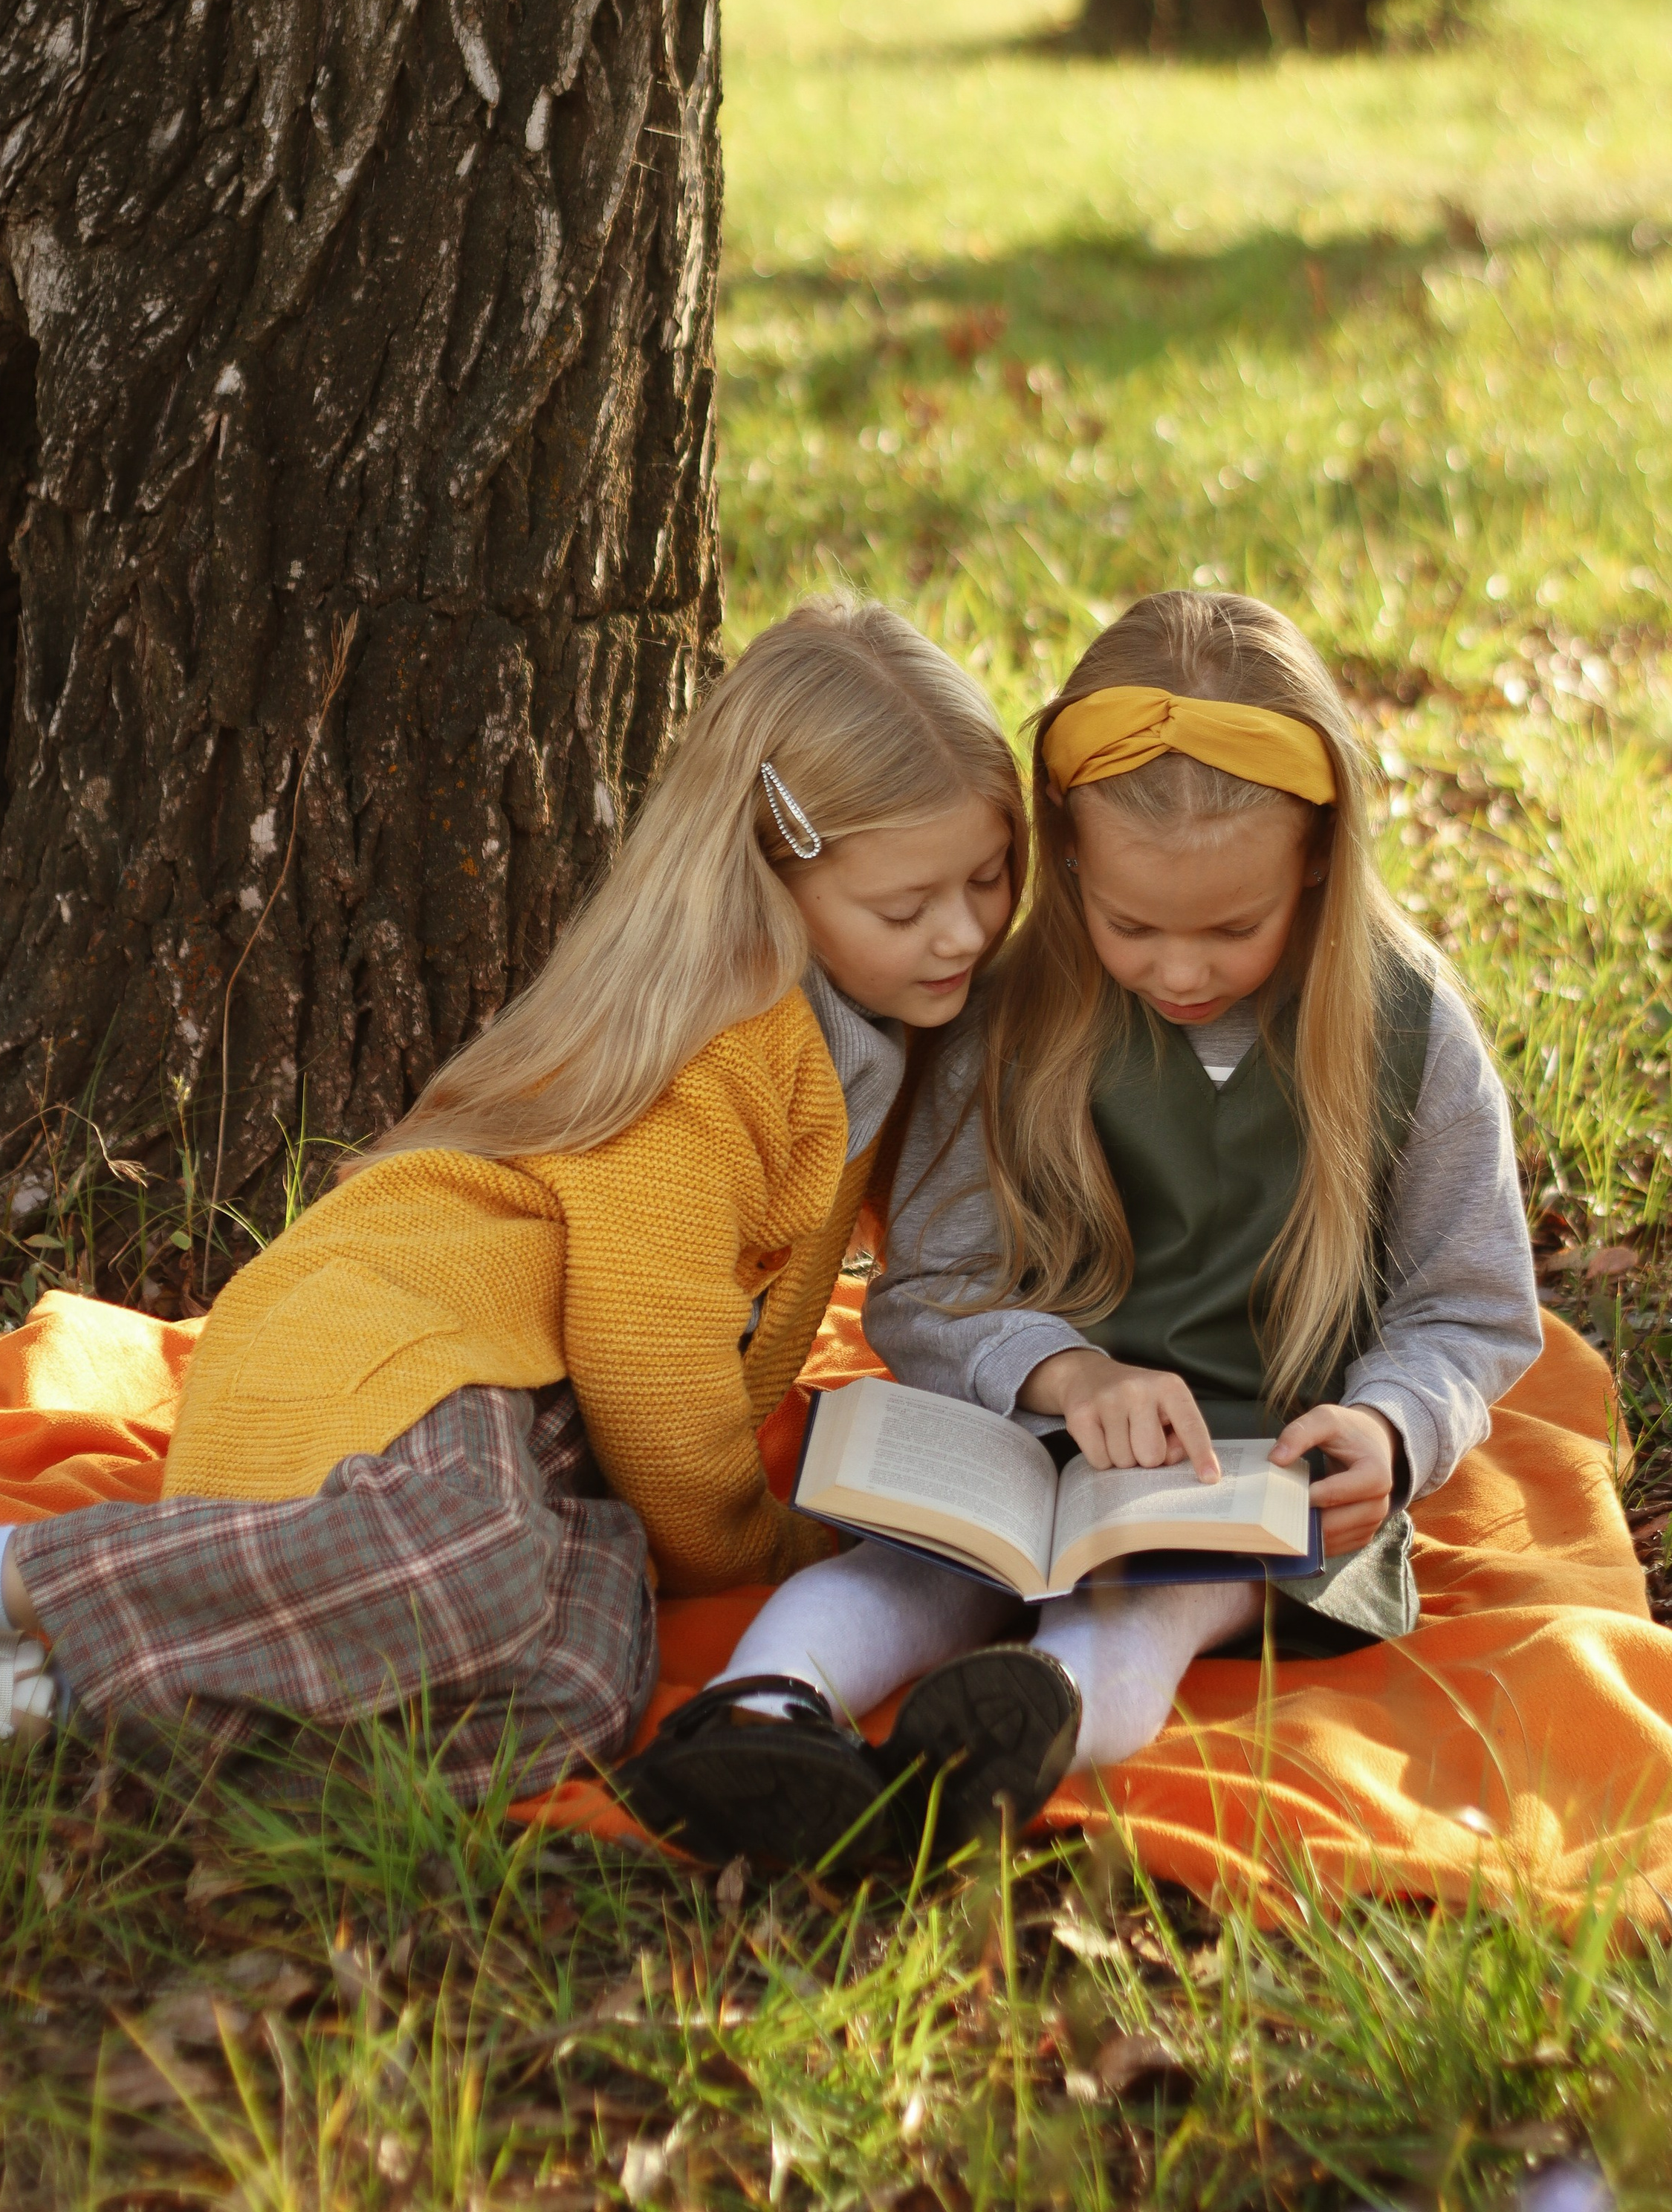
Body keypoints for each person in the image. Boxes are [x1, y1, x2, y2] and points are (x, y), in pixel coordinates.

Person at [0, 596, 1028, 1826]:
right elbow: (648, 1355)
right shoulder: (724, 1041)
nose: (962, 932)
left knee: (578, 1691)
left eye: (988, 879)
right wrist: (757, 1545)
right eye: (908, 908)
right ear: (772, 877)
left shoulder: (876, 1030)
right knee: (463, 1566)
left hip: (553, 1449)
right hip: (409, 1342)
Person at [631, 588, 1543, 1864]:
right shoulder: (1009, 1018)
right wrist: (1069, 1372)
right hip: (1021, 1443)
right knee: (915, 1577)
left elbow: (1471, 1304)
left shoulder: (1406, 1028)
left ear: (1321, 856)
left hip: (1255, 1475)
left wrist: (1393, 1424)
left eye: (1233, 927)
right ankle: (756, 1719)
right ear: (1065, 852)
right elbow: (929, 1280)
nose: (1179, 970)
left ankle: (1011, 1739)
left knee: (1159, 1607)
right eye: (1131, 926)